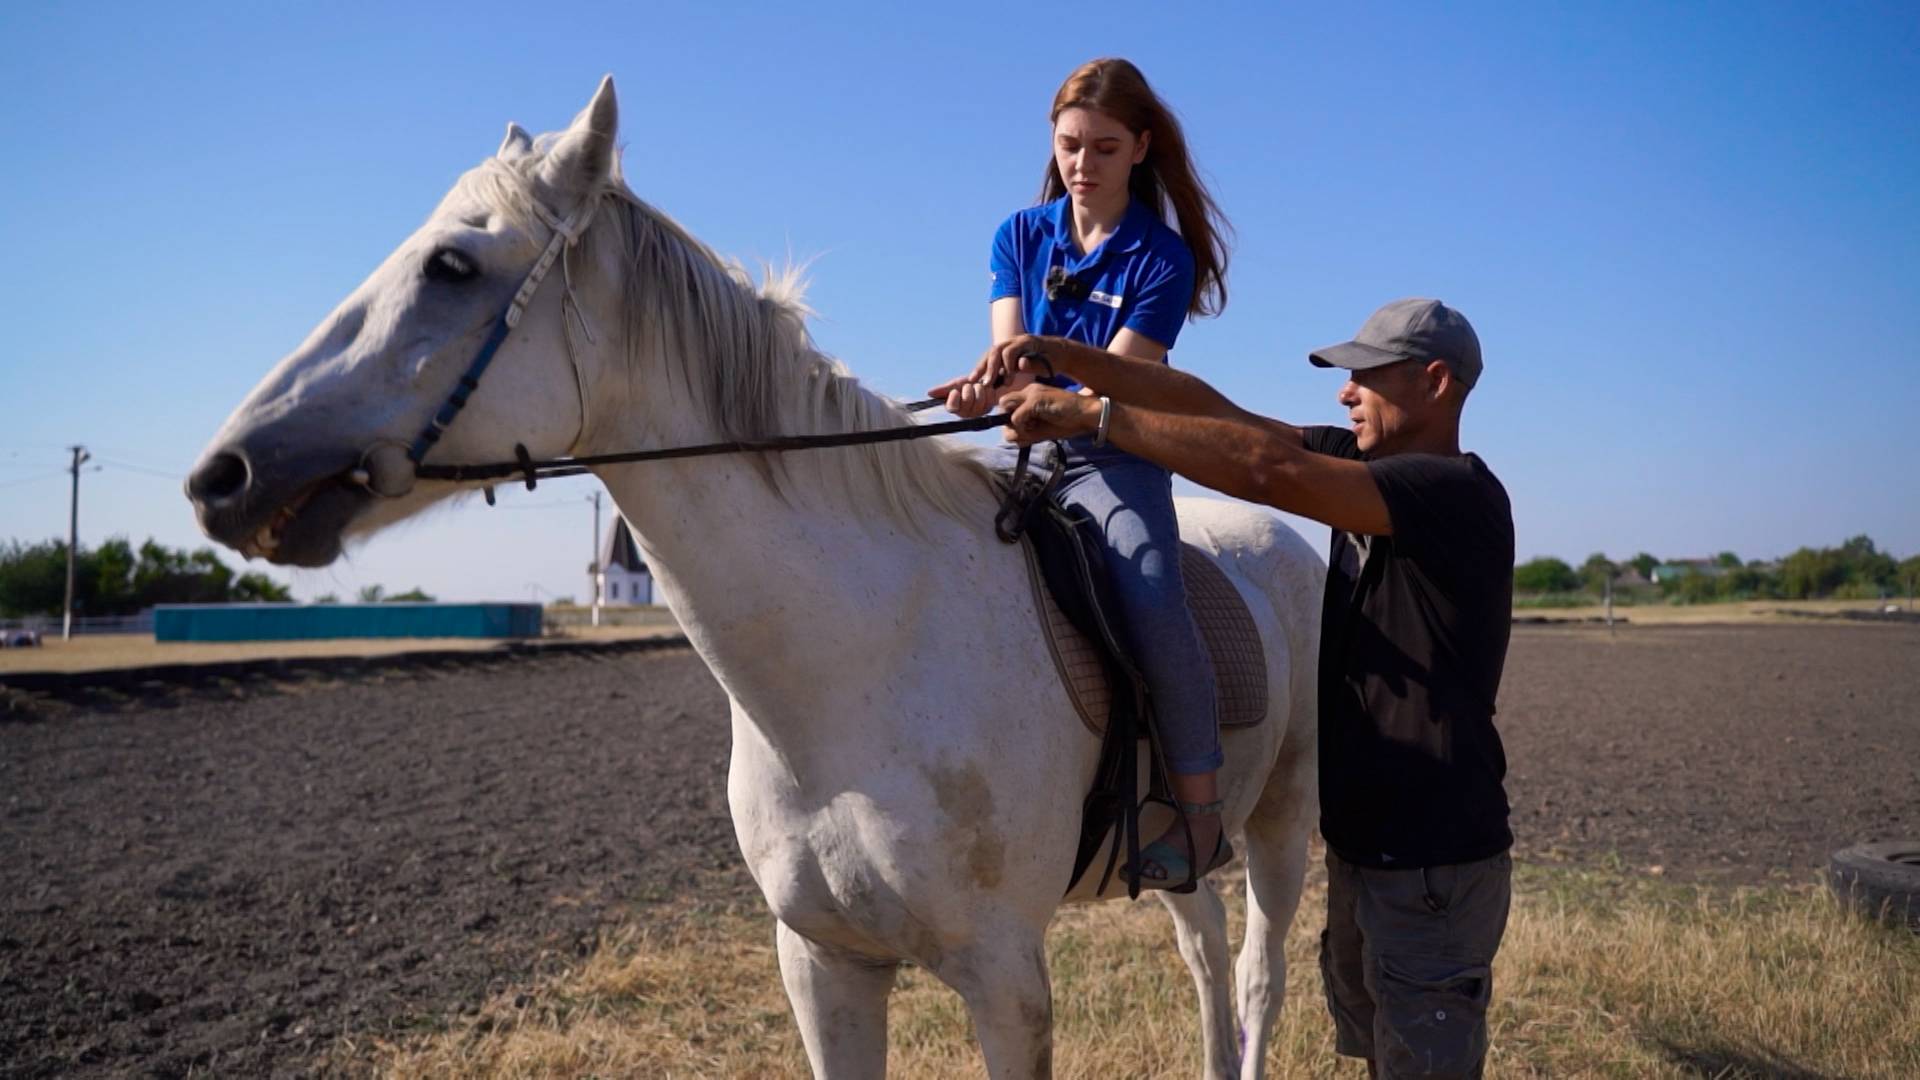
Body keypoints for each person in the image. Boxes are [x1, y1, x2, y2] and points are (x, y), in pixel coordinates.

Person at [986, 298, 1515, 1079]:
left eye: (1366, 377)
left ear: (1435, 381)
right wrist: (1067, 356)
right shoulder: (1372, 469)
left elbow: (1266, 470)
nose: (1345, 394)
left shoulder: (1452, 493)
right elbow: (1217, 413)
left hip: (1432, 865)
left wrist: (1093, 420)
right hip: (1373, 849)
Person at [927, 57, 1233, 890]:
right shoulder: (1017, 235)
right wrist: (977, 392)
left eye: (1103, 147)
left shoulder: (1162, 260)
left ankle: (1201, 819)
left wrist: (1016, 385)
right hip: (1022, 450)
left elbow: (1110, 386)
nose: (1082, 163)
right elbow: (1008, 361)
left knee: (1149, 582)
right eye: (1069, 145)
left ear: (1139, 148)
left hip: (1113, 454)